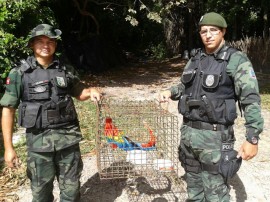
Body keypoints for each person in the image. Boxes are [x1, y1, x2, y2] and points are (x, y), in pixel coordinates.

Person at [160, 12, 264, 201]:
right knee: (194, 191)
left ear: (223, 31)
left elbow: (250, 99)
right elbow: (185, 86)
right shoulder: (195, 59)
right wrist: (170, 92)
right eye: (203, 31)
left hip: (215, 138)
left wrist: (252, 138)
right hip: (189, 135)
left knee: (216, 194)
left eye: (213, 30)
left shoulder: (236, 60)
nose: (208, 35)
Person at [0, 24, 101, 202]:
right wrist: (9, 148)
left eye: (51, 41)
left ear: (55, 45)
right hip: (39, 146)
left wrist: (91, 91)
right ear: (32, 44)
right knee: (41, 195)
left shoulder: (65, 69)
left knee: (71, 192)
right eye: (40, 41)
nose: (46, 45)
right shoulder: (19, 74)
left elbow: (80, 92)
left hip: (68, 142)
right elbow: (8, 110)